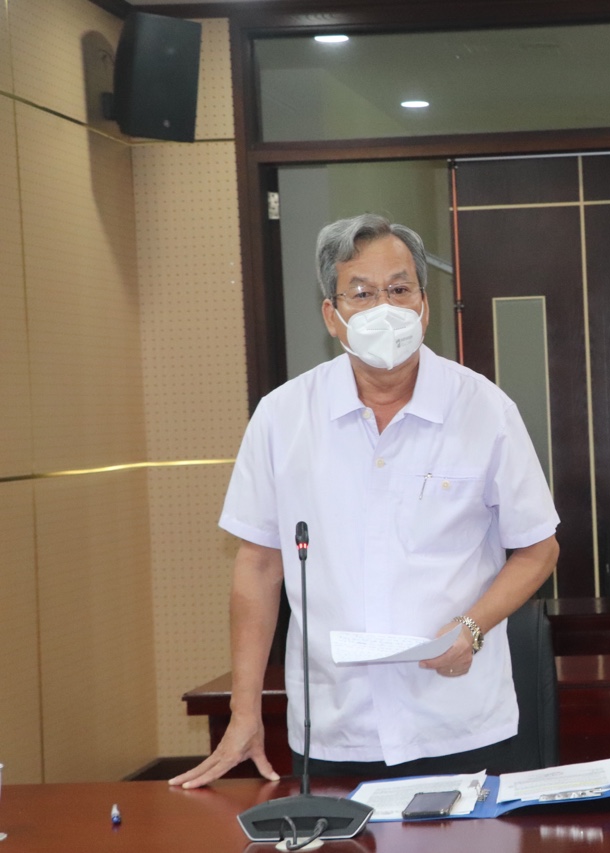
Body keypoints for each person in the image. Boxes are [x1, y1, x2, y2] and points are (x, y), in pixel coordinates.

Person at [171, 214, 559, 789]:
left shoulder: (485, 409)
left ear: (424, 307)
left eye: (400, 290)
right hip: (334, 726)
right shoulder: (282, 418)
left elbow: (539, 548)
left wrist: (472, 628)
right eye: (362, 293)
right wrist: (245, 710)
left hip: (458, 721)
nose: (385, 308)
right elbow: (258, 565)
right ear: (332, 315)